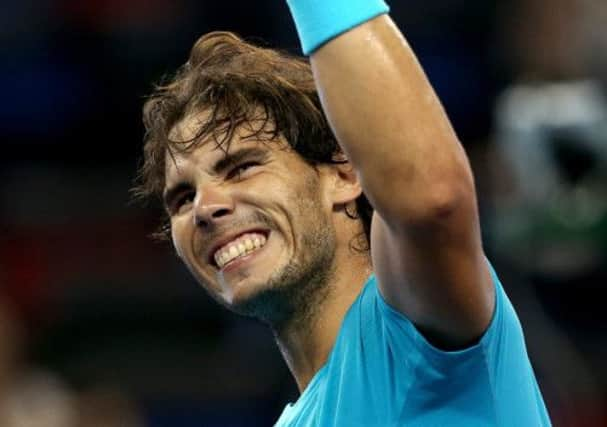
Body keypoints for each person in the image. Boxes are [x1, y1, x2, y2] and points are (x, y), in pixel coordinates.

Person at [134, 1, 551, 425]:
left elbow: (433, 199)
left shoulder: (407, 331)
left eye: (241, 167)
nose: (204, 208)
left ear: (345, 174)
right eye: (183, 198)